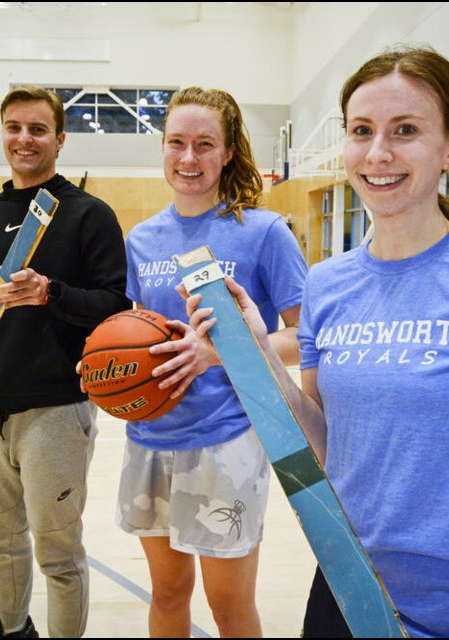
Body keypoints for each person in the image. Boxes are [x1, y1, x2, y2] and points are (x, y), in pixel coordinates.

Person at [186, 46, 449, 639]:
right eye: (362, 131)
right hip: (346, 592)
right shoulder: (327, 284)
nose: (378, 153)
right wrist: (257, 349)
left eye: (405, 131)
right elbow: (329, 449)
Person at [0, 85, 130, 639]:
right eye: (14, 127)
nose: (24, 139)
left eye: (38, 129)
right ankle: (12, 629)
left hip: (56, 410)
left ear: (59, 139)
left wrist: (51, 292)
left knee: (58, 552)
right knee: (0, 539)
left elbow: (115, 306)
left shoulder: (89, 215)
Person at [113, 87, 307, 639]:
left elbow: (307, 337)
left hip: (228, 440)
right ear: (163, 148)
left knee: (228, 607)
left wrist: (219, 354)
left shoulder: (264, 232)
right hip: (149, 437)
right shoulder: (143, 239)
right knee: (168, 594)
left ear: (227, 152)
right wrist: (110, 376)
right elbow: (137, 337)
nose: (189, 158)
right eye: (177, 143)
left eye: (204, 144)